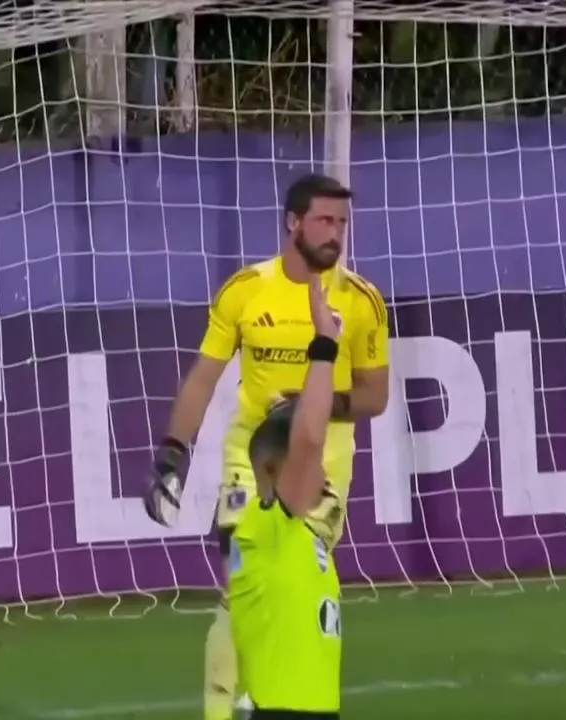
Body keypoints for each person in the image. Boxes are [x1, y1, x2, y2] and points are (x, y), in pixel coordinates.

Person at [142, 173, 390, 720]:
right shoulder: (246, 291)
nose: (335, 234)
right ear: (292, 222)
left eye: (342, 223)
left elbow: (375, 397)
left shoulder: (362, 302)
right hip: (252, 464)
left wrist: (315, 405)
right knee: (238, 590)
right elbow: (204, 377)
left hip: (321, 472)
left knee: (288, 598)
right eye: (324, 221)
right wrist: (173, 453)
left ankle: (272, 696)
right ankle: (228, 709)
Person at [228, 272, 344, 718]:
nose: (321, 475)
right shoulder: (268, 528)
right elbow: (309, 440)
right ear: (277, 470)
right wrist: (324, 345)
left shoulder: (297, 537)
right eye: (311, 467)